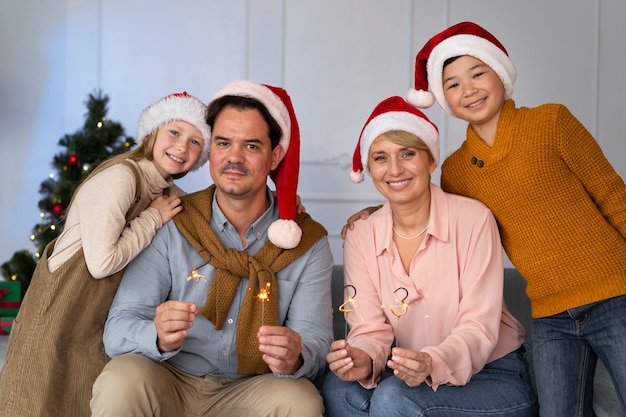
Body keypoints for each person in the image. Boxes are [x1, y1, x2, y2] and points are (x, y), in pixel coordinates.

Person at [346, 21, 626, 417]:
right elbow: (434, 210)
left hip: (615, 292)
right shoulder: (458, 170)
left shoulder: (551, 122)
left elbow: (614, 196)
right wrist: (378, 212)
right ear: (444, 97)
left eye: (478, 74)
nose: (469, 90)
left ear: (501, 73)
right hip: (551, 314)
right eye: (454, 84)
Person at [90, 80, 334, 417]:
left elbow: (317, 341)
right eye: (223, 143)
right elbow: (119, 328)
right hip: (171, 378)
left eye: (251, 146)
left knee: (300, 400)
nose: (234, 158)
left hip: (253, 387)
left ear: (275, 156)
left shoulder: (306, 241)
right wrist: (156, 335)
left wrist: (298, 354)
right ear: (211, 149)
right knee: (121, 378)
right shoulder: (173, 221)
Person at [323, 95, 538, 417]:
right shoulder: (361, 234)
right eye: (381, 158)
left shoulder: (473, 219)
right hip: (404, 370)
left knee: (395, 398)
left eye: (407, 154)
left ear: (431, 161)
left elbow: (477, 326)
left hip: (492, 375)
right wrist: (362, 358)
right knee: (339, 389)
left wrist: (432, 362)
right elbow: (369, 327)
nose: (395, 169)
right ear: (369, 169)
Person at [0, 91, 211, 417]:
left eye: (196, 142)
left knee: (83, 401)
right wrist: (152, 217)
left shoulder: (167, 191)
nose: (183, 146)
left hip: (100, 314)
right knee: (39, 398)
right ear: (153, 132)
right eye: (174, 132)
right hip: (65, 303)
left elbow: (208, 213)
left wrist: (282, 206)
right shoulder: (122, 178)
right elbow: (101, 263)